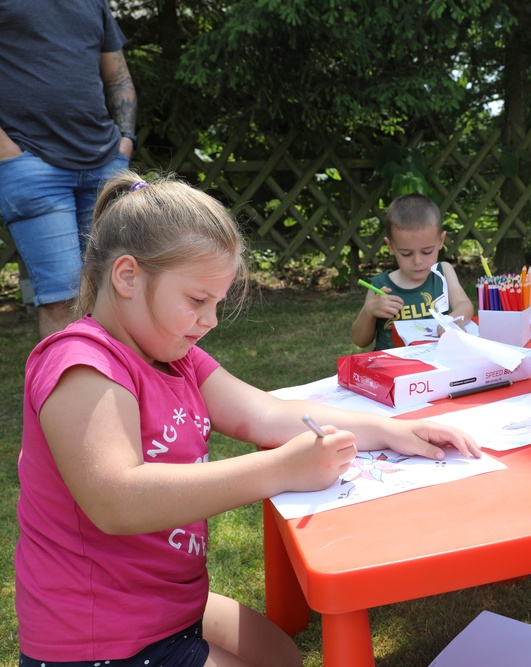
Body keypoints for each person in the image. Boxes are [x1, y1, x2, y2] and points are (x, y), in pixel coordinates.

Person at [15, 172, 480, 666]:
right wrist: (281, 470)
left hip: (166, 605)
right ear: (127, 276)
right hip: (97, 640)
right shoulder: (83, 366)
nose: (211, 320)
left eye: (216, 303)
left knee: (284, 657)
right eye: (198, 301)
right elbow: (116, 500)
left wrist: (391, 431)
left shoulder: (176, 357)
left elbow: (265, 412)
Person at [0, 0, 137, 338]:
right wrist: (6, 151)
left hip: (105, 163)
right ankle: (66, 392)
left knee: (116, 291)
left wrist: (126, 142)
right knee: (62, 299)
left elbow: (119, 77)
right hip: (32, 165)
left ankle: (115, 389)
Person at [351, 193, 474, 349]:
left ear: (441, 241)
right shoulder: (380, 286)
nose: (418, 261)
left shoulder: (443, 272)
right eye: (406, 254)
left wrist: (452, 321)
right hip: (393, 369)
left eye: (427, 251)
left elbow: (464, 305)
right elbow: (360, 341)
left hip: (435, 364)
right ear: (391, 247)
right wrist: (369, 312)